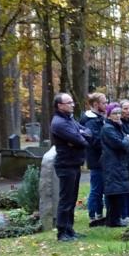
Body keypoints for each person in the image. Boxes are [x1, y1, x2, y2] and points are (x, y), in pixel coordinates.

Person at [50, 93, 92, 241]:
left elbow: (87, 133)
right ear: (60, 106)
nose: (72, 104)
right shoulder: (59, 123)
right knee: (66, 199)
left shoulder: (69, 119)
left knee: (72, 198)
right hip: (65, 164)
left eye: (72, 102)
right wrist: (79, 137)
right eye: (69, 103)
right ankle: (62, 232)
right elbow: (82, 142)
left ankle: (70, 229)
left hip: (74, 163)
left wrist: (80, 135)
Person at [101, 103, 129, 227]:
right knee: (114, 193)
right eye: (114, 113)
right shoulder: (108, 128)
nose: (118, 115)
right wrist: (127, 138)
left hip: (118, 163)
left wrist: (126, 139)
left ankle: (116, 218)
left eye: (119, 113)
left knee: (118, 192)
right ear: (108, 115)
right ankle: (114, 220)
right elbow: (121, 145)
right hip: (112, 164)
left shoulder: (117, 127)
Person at [80, 92, 107, 226]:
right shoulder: (90, 120)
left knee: (101, 188)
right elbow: (94, 140)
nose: (106, 105)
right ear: (96, 104)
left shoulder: (99, 118)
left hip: (102, 158)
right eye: (104, 103)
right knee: (96, 189)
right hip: (96, 159)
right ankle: (92, 215)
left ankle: (99, 213)